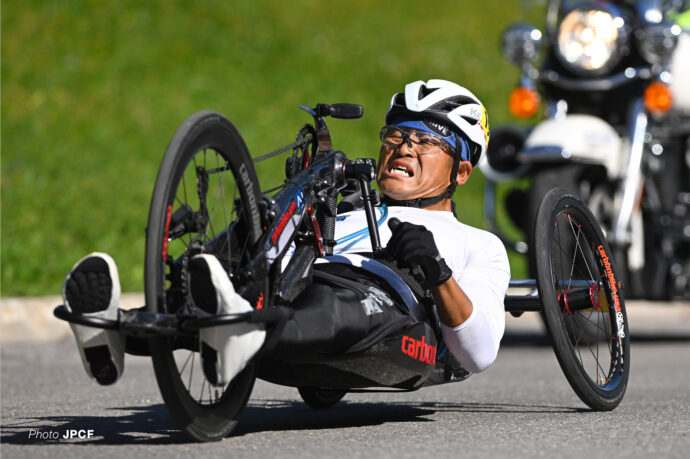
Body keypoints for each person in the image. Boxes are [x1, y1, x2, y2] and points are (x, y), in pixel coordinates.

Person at [62, 79, 510, 387]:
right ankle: (113, 329)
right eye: (395, 135)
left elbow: (478, 353)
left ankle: (240, 331)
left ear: (462, 171)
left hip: (391, 312)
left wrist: (437, 271)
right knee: (245, 246)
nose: (403, 146)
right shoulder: (351, 203)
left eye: (426, 140)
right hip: (298, 277)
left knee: (335, 302)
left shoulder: (479, 244)